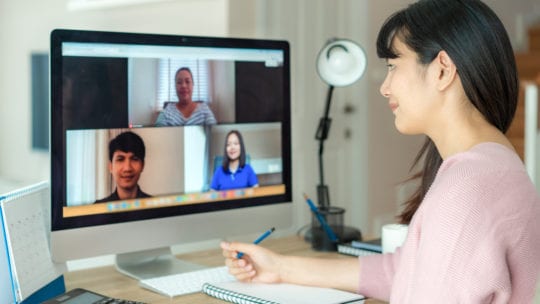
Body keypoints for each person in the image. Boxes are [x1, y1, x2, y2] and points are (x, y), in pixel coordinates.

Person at [221, 0, 540, 302]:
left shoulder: (467, 190)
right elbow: (403, 272)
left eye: (393, 66)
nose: (384, 86)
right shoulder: (494, 164)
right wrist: (279, 267)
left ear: (442, 69)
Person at [95, 131, 151, 203]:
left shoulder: (156, 207)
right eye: (120, 159)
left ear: (142, 165)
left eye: (134, 159)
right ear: (111, 166)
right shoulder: (99, 208)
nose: (127, 168)